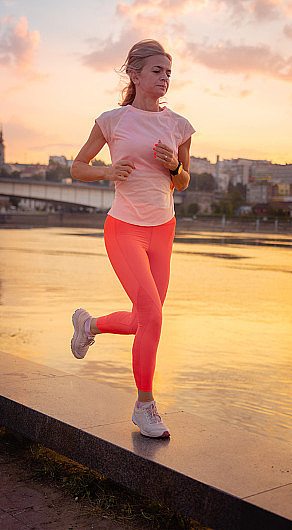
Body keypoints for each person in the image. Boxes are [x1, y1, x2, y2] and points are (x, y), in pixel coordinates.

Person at [69, 39, 194, 439]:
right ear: (135, 75)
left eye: (169, 72)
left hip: (164, 229)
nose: (164, 78)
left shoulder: (179, 125)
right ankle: (144, 406)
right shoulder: (113, 120)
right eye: (157, 71)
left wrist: (174, 165)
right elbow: (77, 166)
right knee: (154, 316)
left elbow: (184, 182)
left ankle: (88, 325)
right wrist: (108, 172)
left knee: (145, 319)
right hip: (124, 227)